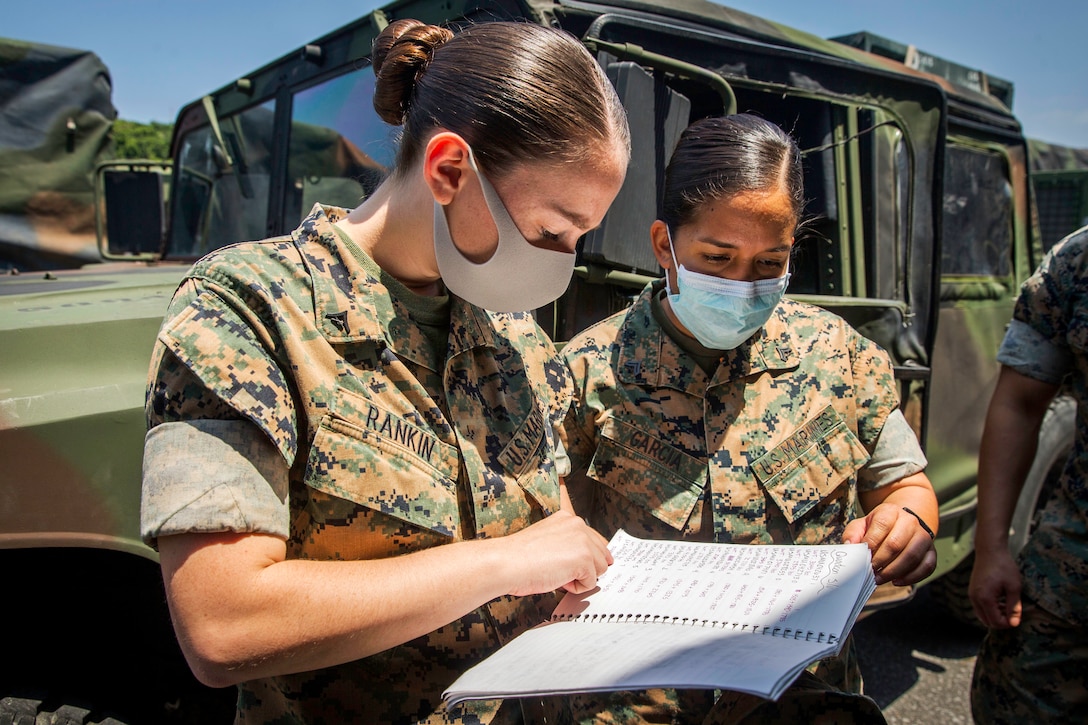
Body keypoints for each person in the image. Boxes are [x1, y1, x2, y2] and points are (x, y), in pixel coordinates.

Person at [140, 18, 630, 724]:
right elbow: (224, 624)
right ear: (449, 171)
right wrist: (502, 564)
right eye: (552, 231)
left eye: (580, 238)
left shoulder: (515, 336)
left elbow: (555, 546)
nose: (563, 258)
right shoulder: (250, 309)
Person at [559, 114, 939, 723]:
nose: (742, 284)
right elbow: (550, 537)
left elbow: (906, 485)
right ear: (664, 245)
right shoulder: (585, 372)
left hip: (803, 698)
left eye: (770, 264)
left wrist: (907, 523)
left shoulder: (839, 354)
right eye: (717, 257)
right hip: (640, 701)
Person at [968, 226, 1088, 723]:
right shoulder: (1078, 262)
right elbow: (1019, 402)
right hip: (1072, 575)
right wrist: (992, 546)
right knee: (1010, 703)